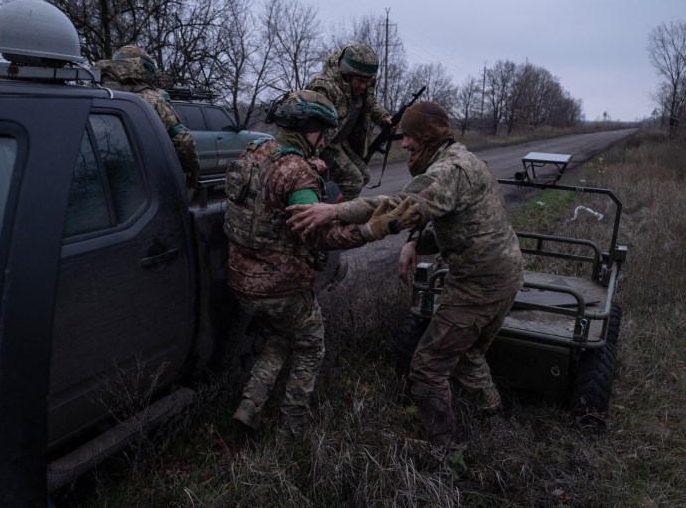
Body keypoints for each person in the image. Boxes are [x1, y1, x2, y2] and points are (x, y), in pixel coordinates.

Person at [287, 101, 524, 447]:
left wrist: (336, 212)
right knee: (468, 355)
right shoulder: (464, 160)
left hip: (479, 283)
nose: (405, 144)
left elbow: (401, 206)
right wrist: (416, 244)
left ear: (426, 136)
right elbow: (459, 223)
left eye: (410, 137)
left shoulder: (450, 170)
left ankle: (444, 452)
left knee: (427, 369)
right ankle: (492, 422)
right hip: (503, 273)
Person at [224, 90, 418, 445]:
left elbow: (268, 190)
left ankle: (248, 409)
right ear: (311, 130)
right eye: (323, 132)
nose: (325, 139)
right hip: (281, 288)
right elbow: (320, 236)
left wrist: (306, 169)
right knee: (311, 345)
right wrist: (373, 229)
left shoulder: (252, 153)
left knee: (280, 336)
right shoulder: (297, 172)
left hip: (240, 280)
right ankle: (290, 433)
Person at [94, 46, 200, 187]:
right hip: (140, 182)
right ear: (143, 68)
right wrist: (191, 172)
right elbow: (183, 141)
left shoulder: (86, 89)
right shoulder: (150, 98)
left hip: (91, 176)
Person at [305, 44, 392, 201]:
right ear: (347, 73)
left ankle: (335, 207)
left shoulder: (362, 81)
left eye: (368, 81)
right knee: (353, 181)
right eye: (360, 81)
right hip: (322, 145)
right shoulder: (323, 87)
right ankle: (330, 216)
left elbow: (369, 102)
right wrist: (312, 157)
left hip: (340, 143)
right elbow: (310, 125)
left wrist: (383, 117)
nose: (364, 86)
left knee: (364, 176)